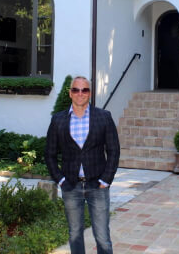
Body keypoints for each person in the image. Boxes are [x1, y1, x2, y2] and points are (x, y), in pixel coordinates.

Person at [45, 76, 120, 254]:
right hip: (71, 186)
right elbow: (49, 154)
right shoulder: (58, 120)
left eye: (84, 90)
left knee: (102, 237)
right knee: (75, 234)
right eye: (76, 90)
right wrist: (61, 180)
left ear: (90, 93)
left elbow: (114, 151)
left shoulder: (103, 117)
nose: (80, 93)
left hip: (97, 186)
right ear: (70, 93)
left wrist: (106, 180)